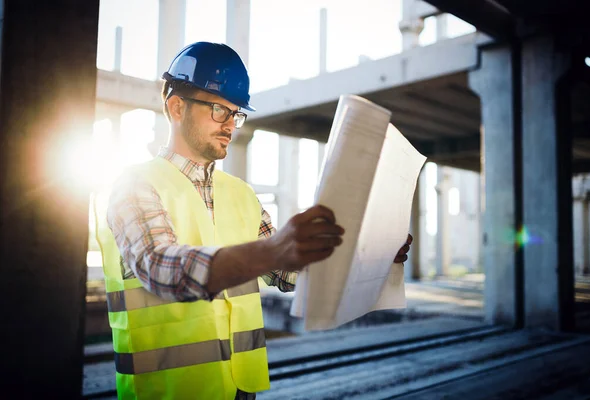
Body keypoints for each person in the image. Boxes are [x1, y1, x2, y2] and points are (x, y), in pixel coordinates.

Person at [95, 41, 413, 400]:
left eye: (236, 113)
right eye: (219, 110)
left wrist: (374, 256)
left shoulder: (242, 196)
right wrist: (273, 250)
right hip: (166, 393)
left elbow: (289, 272)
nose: (231, 124)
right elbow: (159, 267)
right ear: (176, 106)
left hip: (240, 391)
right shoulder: (134, 185)